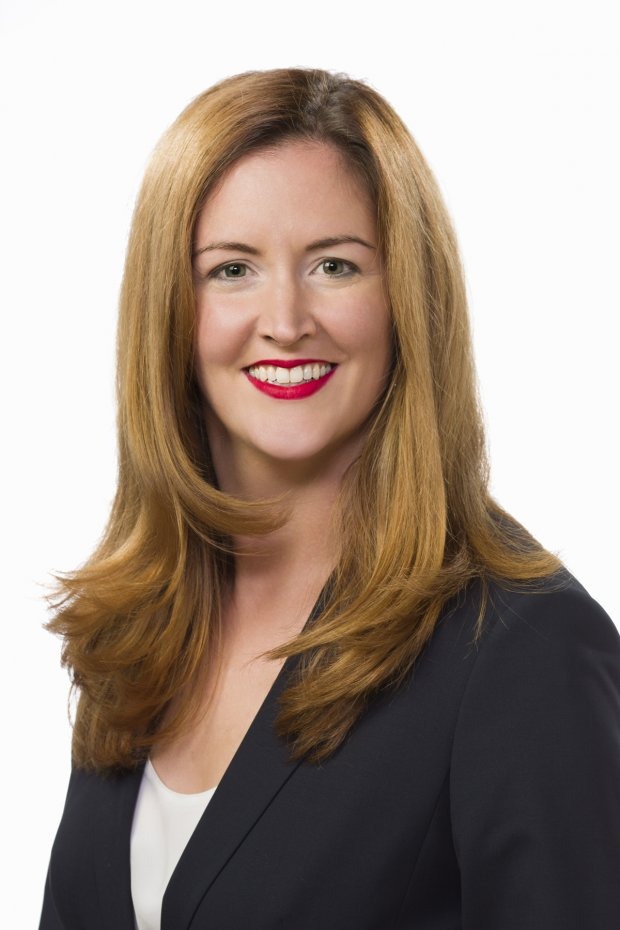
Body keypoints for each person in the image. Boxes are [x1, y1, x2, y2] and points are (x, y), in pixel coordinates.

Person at [39, 67, 620, 930]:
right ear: (170, 307)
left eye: (336, 266)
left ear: (405, 301)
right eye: (231, 268)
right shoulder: (141, 632)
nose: (285, 317)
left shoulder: (524, 651)